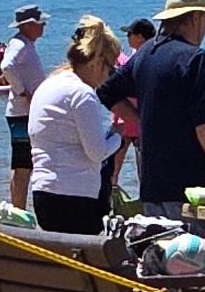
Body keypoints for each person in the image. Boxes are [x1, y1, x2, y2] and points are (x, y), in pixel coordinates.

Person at [120, 0, 205, 208]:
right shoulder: (196, 59)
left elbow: (107, 90)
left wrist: (140, 121)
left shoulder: (145, 52)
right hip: (193, 190)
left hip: (152, 185)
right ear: (195, 17)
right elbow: (204, 126)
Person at [22, 17, 127, 235]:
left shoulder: (49, 84)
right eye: (111, 70)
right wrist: (118, 134)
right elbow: (97, 153)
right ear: (98, 62)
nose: (109, 77)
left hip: (43, 192)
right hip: (75, 198)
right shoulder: (82, 94)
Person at [0, 6, 49, 198]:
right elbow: (7, 66)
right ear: (29, 25)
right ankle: (18, 209)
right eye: (41, 23)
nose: (44, 26)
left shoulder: (25, 44)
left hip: (25, 112)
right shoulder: (19, 44)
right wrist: (22, 92)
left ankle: (18, 207)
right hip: (21, 113)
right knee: (23, 166)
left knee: (25, 165)